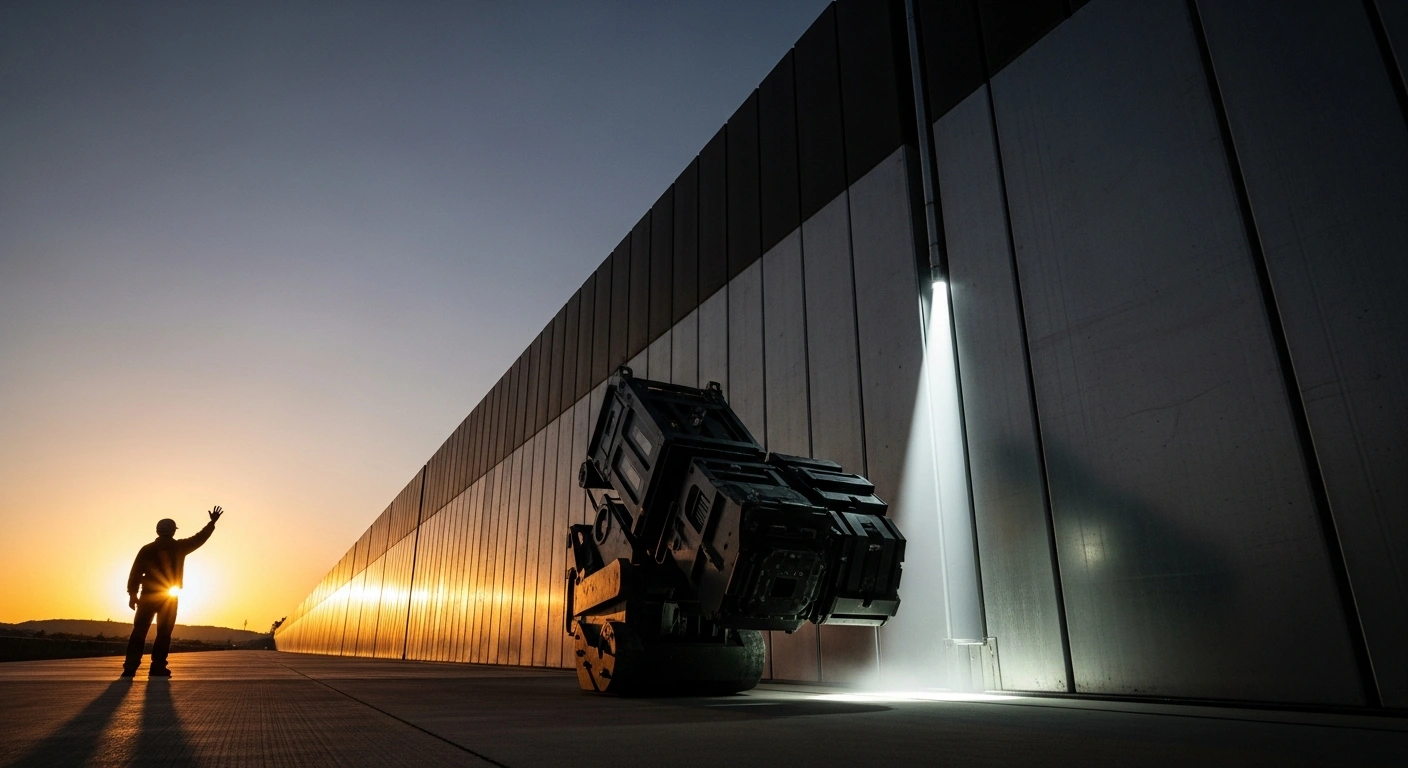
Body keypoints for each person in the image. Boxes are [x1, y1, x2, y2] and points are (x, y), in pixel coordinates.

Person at [121, 506, 224, 677]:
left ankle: (130, 667)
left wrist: (132, 594)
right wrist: (211, 523)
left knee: (139, 632)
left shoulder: (147, 549)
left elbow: (135, 573)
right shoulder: (179, 547)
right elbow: (199, 538)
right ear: (173, 531)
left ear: (157, 531)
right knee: (164, 633)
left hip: (147, 595)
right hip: (169, 595)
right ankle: (158, 666)